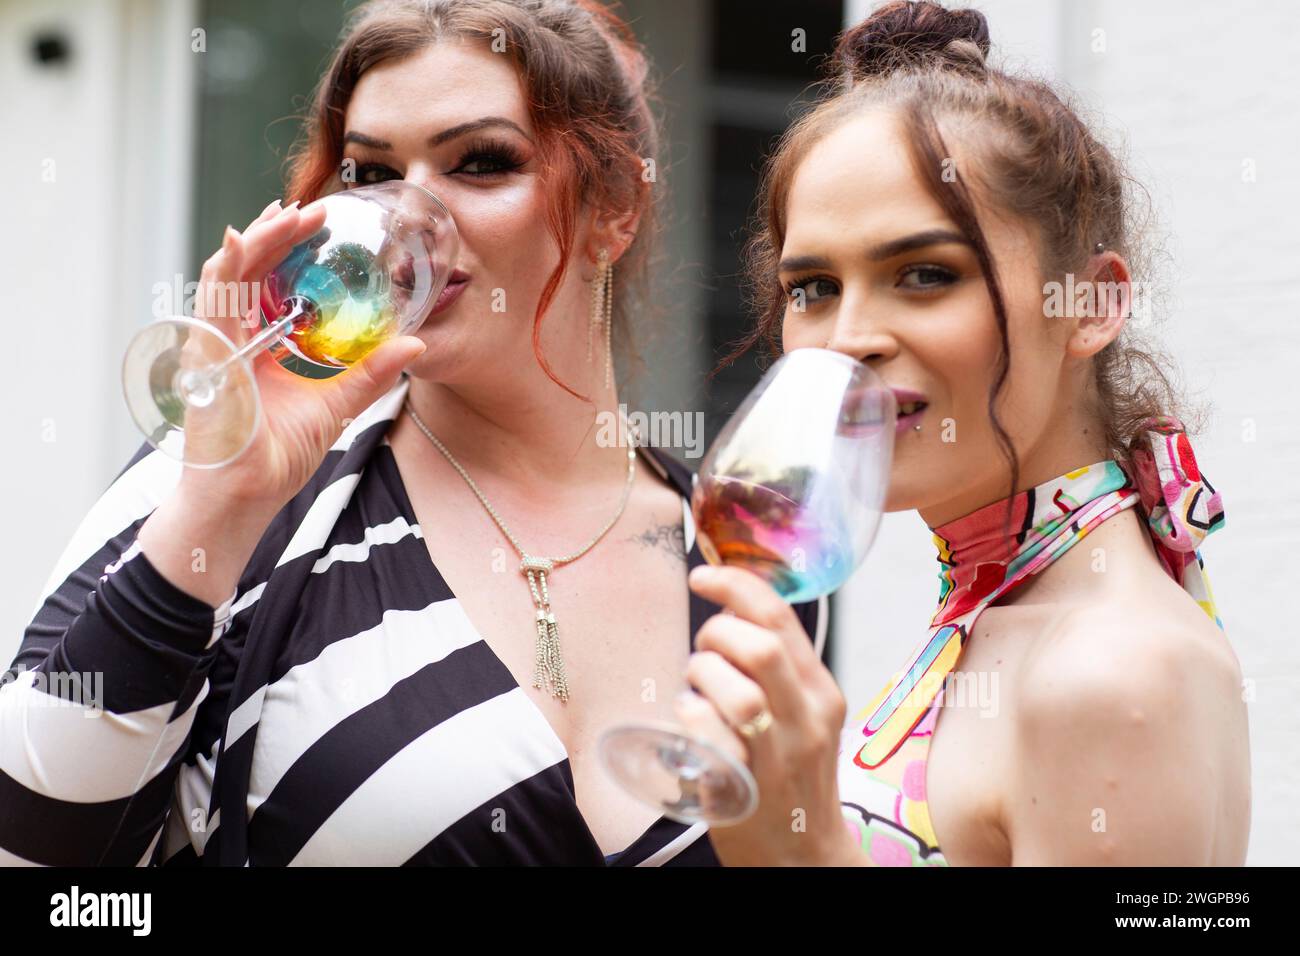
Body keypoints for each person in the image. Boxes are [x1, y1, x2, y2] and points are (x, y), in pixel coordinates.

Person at [2, 0, 823, 867]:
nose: (411, 218)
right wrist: (220, 503)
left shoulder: (750, 552)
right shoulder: (231, 467)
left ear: (613, 205)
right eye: (369, 174)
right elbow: (35, 862)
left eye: (479, 163)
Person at [674, 0, 1249, 866]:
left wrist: (804, 851)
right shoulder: (1001, 616)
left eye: (924, 274)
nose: (848, 337)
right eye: (814, 289)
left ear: (1089, 303)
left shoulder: (1112, 673)